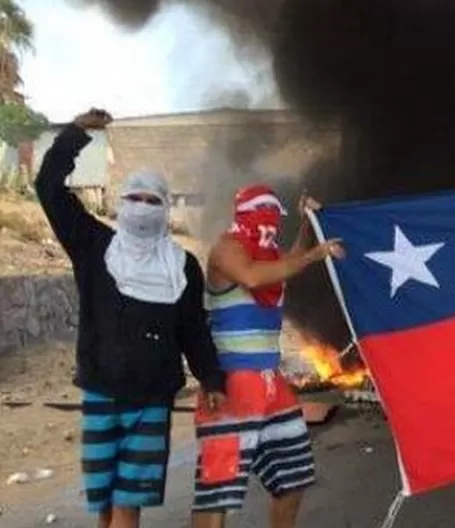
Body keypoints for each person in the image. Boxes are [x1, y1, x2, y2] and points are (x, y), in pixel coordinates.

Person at [34, 108, 227, 528]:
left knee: (127, 503)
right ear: (121, 203)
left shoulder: (182, 265)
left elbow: (193, 330)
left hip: (152, 400)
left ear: (164, 206)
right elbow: (48, 188)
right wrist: (74, 135)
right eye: (134, 198)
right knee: (105, 503)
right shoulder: (93, 246)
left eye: (152, 199)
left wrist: (211, 379)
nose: (142, 207)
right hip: (100, 393)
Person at [190, 184, 344, 528]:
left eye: (276, 219)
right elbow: (252, 277)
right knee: (218, 489)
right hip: (230, 385)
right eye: (264, 216)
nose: (270, 225)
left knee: (293, 478)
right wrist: (313, 255)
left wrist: (306, 223)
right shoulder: (226, 249)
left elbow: (286, 264)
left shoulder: (270, 257)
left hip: (272, 385)